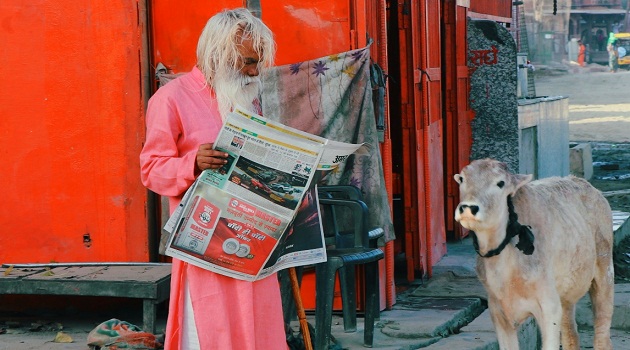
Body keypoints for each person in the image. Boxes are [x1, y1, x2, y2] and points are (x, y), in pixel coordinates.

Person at [140, 8, 287, 349]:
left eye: (258, 62)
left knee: (258, 321)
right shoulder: (170, 99)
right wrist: (193, 163)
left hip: (253, 235)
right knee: (212, 326)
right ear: (219, 53)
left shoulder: (245, 99)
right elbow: (151, 170)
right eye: (249, 61)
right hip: (205, 239)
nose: (255, 71)